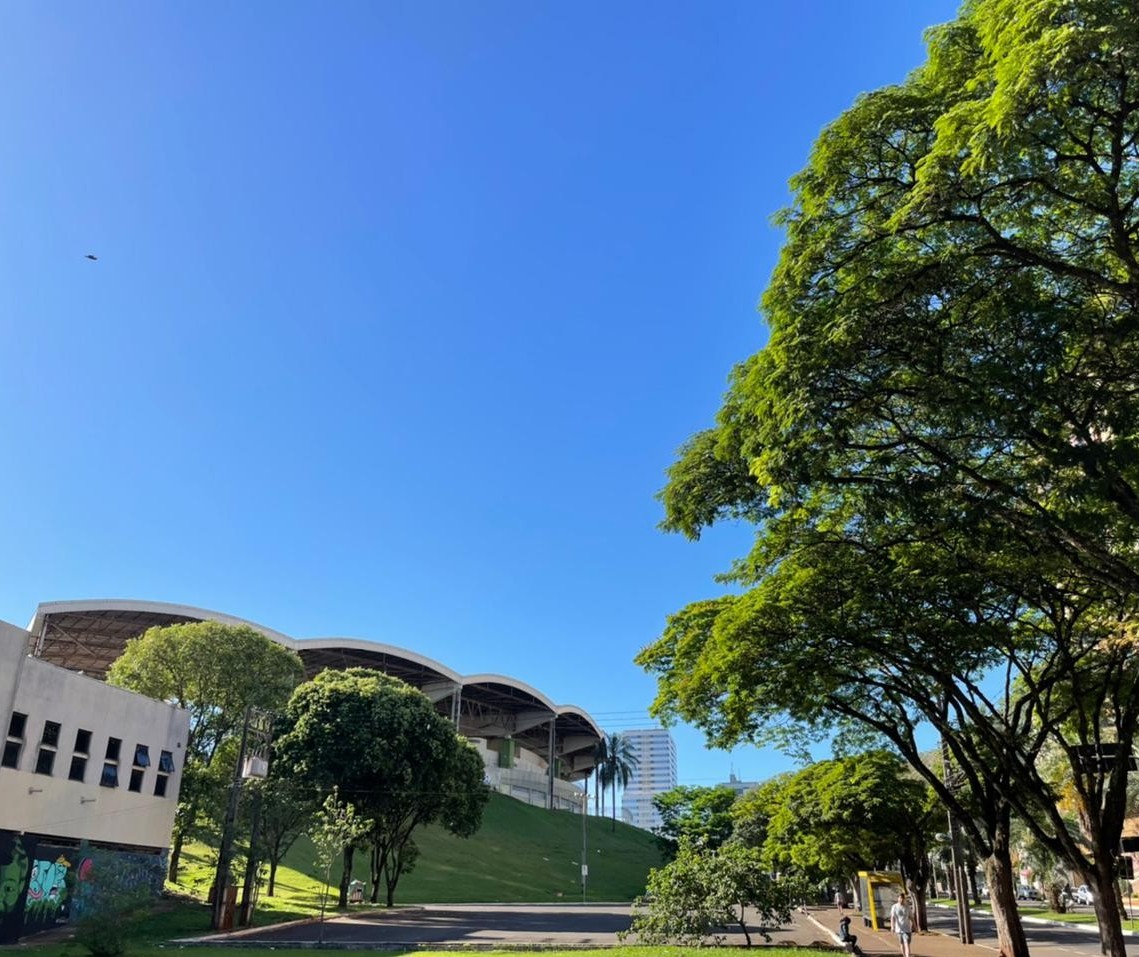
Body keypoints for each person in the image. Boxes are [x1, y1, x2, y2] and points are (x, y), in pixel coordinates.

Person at [890, 891, 915, 957]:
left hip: (907, 929)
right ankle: (904, 955)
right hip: (899, 929)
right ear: (898, 898)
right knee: (902, 944)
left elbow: (911, 918)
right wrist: (892, 926)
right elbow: (892, 918)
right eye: (900, 898)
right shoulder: (894, 907)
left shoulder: (907, 907)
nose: (901, 899)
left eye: (903, 898)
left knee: (907, 943)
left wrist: (915, 927)